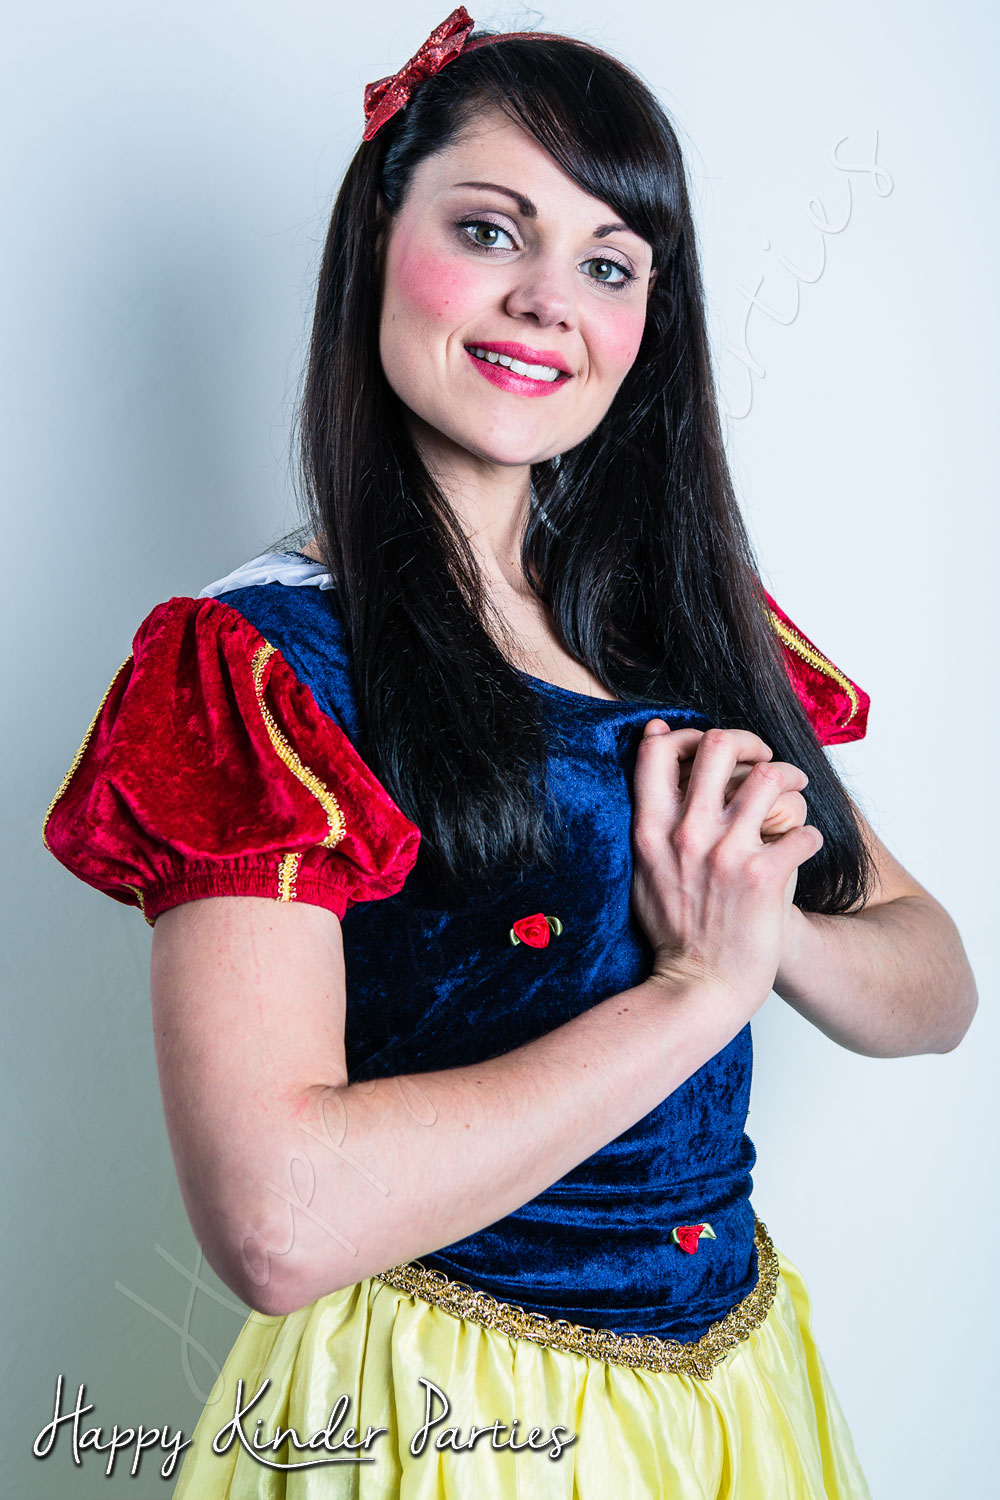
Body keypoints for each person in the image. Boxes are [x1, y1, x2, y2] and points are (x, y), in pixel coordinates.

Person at [42, 9, 976, 1497]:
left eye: (609, 263)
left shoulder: (688, 620)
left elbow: (935, 985)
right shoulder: (259, 662)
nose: (548, 300)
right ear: (379, 241)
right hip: (444, 1421)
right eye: (491, 231)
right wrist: (694, 995)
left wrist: (767, 934)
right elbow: (276, 1225)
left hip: (734, 1400)